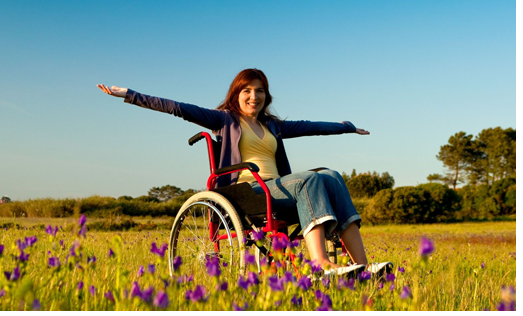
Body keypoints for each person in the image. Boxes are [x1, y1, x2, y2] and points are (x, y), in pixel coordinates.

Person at [97, 68, 391, 277]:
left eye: (260, 91)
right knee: (311, 179)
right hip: (247, 192)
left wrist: (346, 127)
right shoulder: (224, 120)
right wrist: (130, 95)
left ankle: (364, 267)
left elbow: (311, 126)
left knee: (332, 175)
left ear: (267, 95)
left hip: (277, 188)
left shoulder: (273, 125)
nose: (254, 96)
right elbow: (177, 108)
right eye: (247, 91)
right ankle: (321, 264)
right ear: (236, 94)